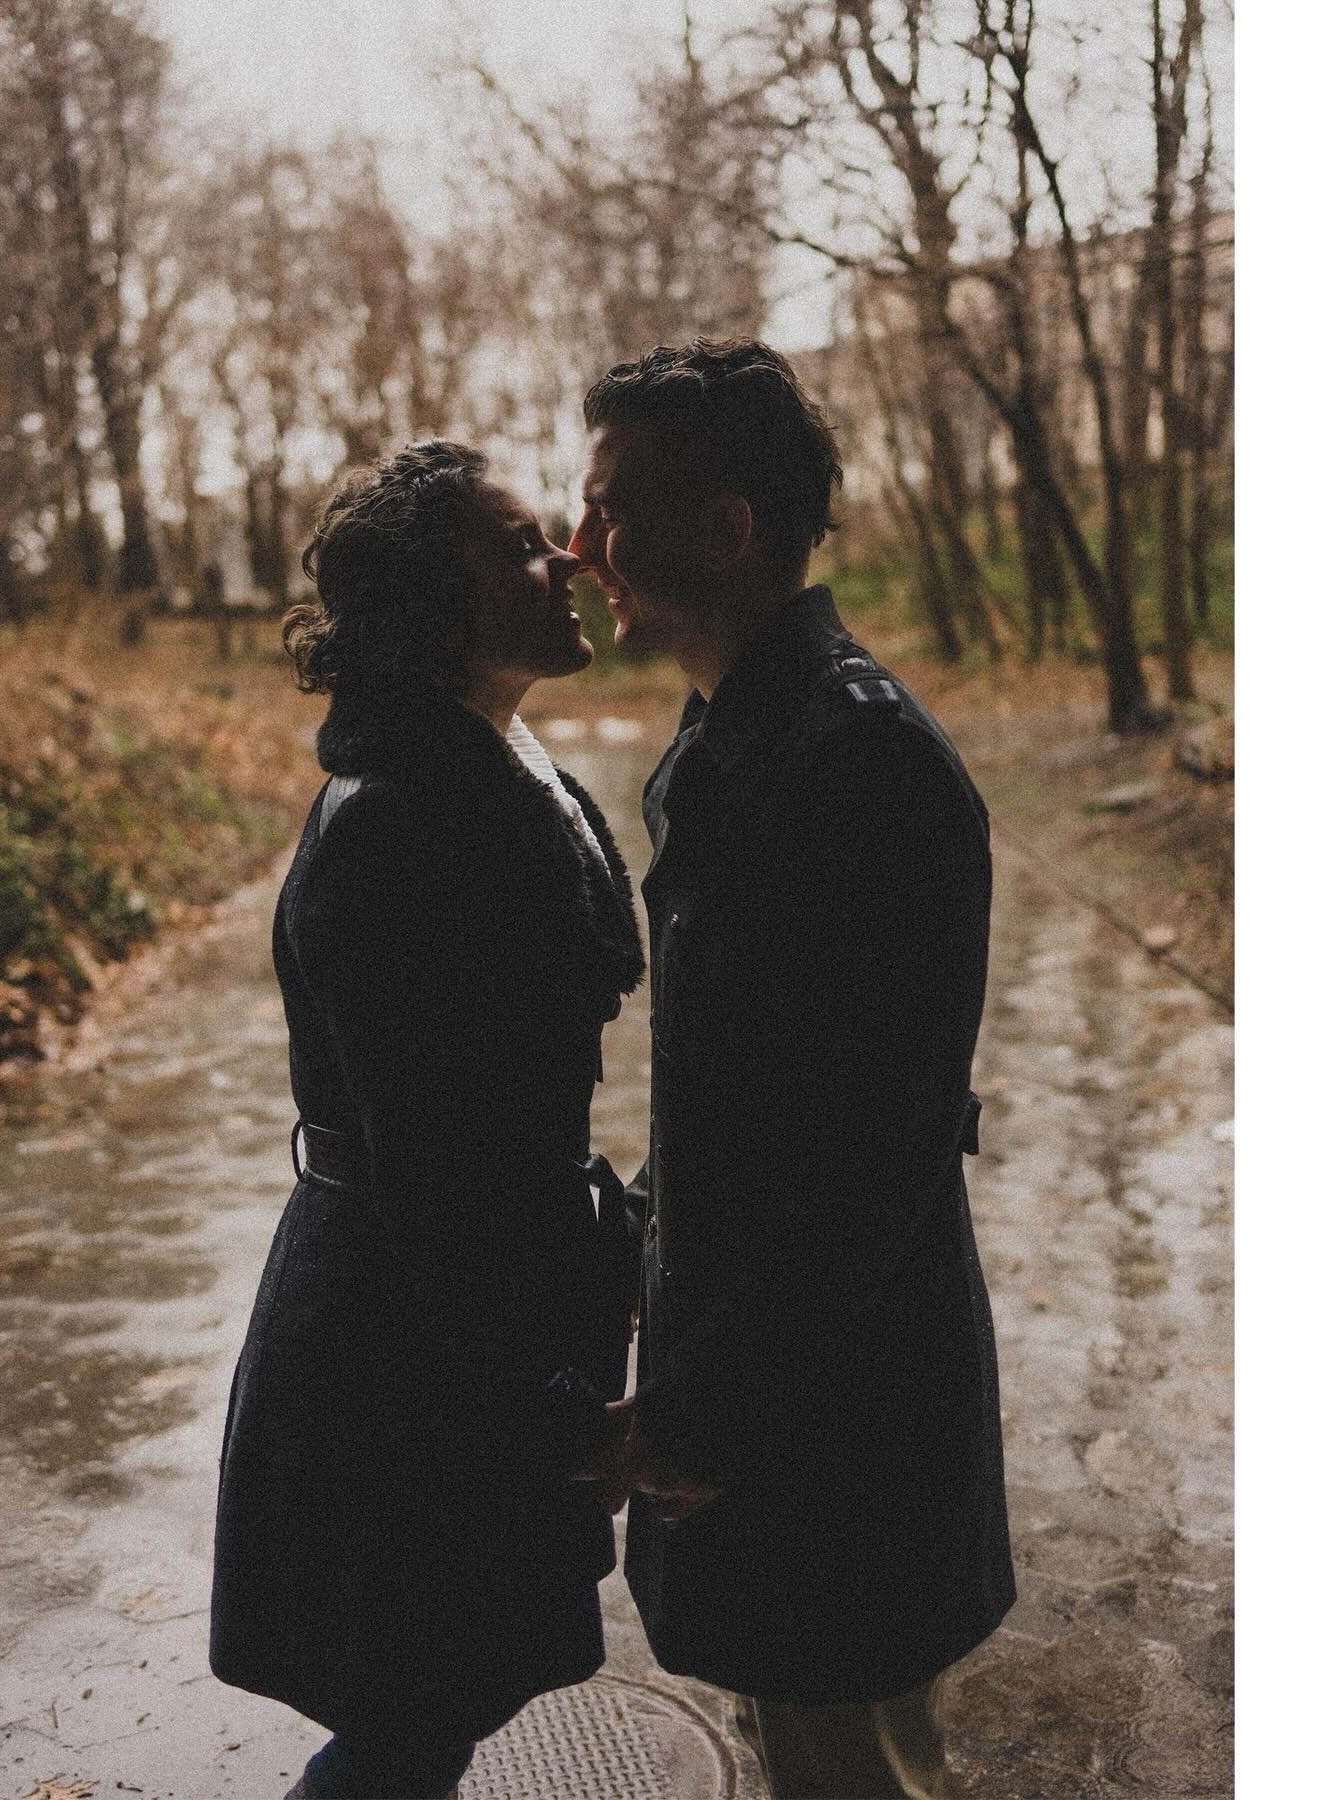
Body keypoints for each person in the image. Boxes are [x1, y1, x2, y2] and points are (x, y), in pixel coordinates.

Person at [568, 340, 1016, 1800]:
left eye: (613, 506)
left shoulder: (851, 760)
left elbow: (860, 1166)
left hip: (843, 1430)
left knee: (856, 1760)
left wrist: (715, 1414)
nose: (586, 548)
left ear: (730, 525)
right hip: (788, 1412)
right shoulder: (738, 733)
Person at [209, 441, 645, 1800]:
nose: (565, 559)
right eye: (519, 548)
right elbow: (451, 1180)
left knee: (430, 1704)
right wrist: (552, 1408)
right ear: (427, 606)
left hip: (426, 1325)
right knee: (414, 1710)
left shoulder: (486, 765)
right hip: (408, 1356)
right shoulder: (413, 823)